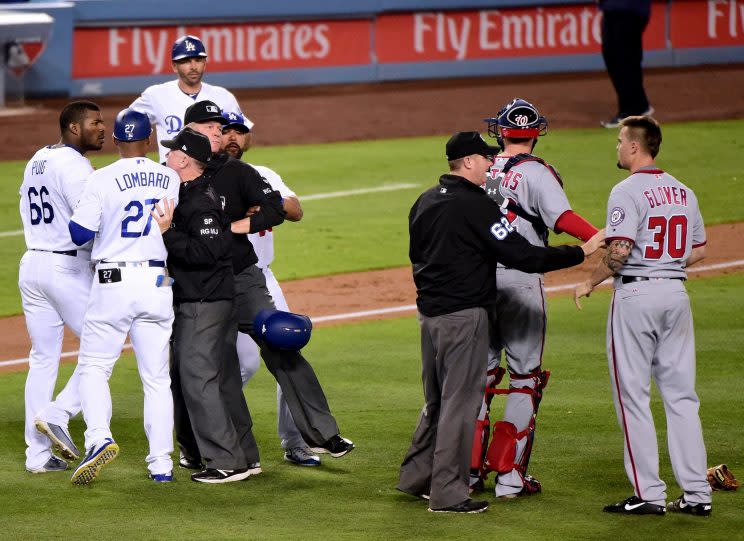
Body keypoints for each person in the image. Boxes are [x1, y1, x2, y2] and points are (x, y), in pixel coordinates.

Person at [398, 131, 605, 513]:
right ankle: (448, 494)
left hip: (428, 316)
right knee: (461, 404)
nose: (493, 163)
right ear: (469, 162)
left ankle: (415, 478)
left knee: (436, 400)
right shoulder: (477, 206)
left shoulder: (424, 201)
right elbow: (523, 256)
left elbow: (416, 255)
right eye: (486, 158)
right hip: (464, 316)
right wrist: (580, 250)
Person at [180, 100, 355, 465]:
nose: (224, 135)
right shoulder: (176, 173)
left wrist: (240, 224)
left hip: (247, 276)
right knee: (214, 367)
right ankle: (210, 449)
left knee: (281, 340)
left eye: (230, 129)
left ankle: (315, 435)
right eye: (216, 128)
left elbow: (285, 208)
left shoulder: (242, 172)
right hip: (199, 284)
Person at [574, 116, 712, 516]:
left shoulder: (626, 190)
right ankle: (697, 495)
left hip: (636, 296)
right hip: (675, 293)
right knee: (682, 397)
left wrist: (589, 282)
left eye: (620, 141)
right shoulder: (684, 191)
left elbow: (618, 252)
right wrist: (664, 260)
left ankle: (649, 494)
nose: (616, 147)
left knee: (632, 396)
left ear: (636, 147)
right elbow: (699, 249)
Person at [469, 98, 600, 498]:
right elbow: (563, 220)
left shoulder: (490, 170)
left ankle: (470, 473)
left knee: (481, 377)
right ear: (535, 133)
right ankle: (509, 479)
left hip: (481, 281)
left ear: (501, 132)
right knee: (525, 378)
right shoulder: (538, 173)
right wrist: (599, 237)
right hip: (522, 281)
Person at [67, 109, 180, 485]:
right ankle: (161, 464)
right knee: (157, 378)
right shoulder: (169, 177)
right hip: (156, 282)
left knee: (95, 367)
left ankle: (98, 437)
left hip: (113, 283)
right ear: (150, 140)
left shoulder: (100, 179)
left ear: (115, 140)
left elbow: (80, 233)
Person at [150, 127, 262, 483]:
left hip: (204, 302)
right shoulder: (190, 194)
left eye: (171, 153)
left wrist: (168, 233)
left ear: (183, 159)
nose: (166, 157)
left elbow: (211, 251)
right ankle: (245, 456)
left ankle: (227, 461)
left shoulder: (200, 201)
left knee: (198, 378)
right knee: (224, 380)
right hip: (211, 298)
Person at [221, 111, 320, 467]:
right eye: (227, 131)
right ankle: (211, 429)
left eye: (240, 132)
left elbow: (295, 210)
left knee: (287, 351)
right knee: (244, 363)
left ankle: (295, 442)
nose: (234, 137)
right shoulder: (210, 177)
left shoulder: (264, 175)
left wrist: (265, 201)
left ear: (249, 138)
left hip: (263, 280)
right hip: (223, 280)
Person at [19, 100, 104, 473]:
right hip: (64, 266)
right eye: (95, 123)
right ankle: (58, 413)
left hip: (32, 264)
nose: (103, 128)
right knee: (103, 344)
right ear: (74, 128)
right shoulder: (74, 165)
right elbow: (87, 224)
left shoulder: (38, 158)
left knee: (42, 358)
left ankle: (37, 457)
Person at [129, 35, 251, 162]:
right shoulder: (156, 95)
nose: (193, 66)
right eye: (186, 61)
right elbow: (129, 123)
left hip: (215, 174)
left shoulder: (223, 96)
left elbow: (244, 134)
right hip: (173, 172)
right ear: (174, 66)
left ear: (204, 63)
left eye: (198, 60)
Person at [599, 0, 654, 128]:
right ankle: (640, 105)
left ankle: (629, 111)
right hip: (614, 8)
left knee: (623, 59)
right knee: (615, 56)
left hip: (628, 8)